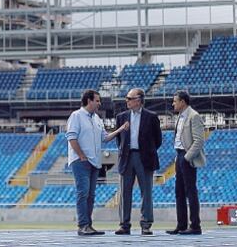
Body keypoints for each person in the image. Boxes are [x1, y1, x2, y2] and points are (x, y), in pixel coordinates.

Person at [66, 89, 128, 236]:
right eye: (97, 100)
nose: (100, 103)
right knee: (83, 193)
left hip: (95, 162)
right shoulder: (76, 116)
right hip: (81, 161)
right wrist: (81, 155)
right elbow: (71, 138)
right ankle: (83, 225)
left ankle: (88, 224)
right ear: (89, 101)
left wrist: (120, 129)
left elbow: (105, 138)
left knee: (91, 195)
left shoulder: (97, 119)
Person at [114, 87, 163, 236]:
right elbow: (119, 140)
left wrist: (147, 151)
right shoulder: (121, 117)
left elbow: (158, 140)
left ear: (139, 100)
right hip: (127, 158)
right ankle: (124, 224)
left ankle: (146, 224)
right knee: (124, 193)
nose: (127, 101)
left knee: (146, 192)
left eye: (130, 98)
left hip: (144, 158)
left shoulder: (151, 116)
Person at [166, 90, 207, 235]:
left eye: (175, 101)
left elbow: (199, 140)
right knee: (179, 192)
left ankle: (195, 225)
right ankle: (181, 225)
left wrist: (187, 157)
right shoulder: (180, 117)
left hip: (187, 156)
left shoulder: (193, 116)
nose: (173, 103)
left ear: (182, 102)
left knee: (191, 191)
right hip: (179, 154)